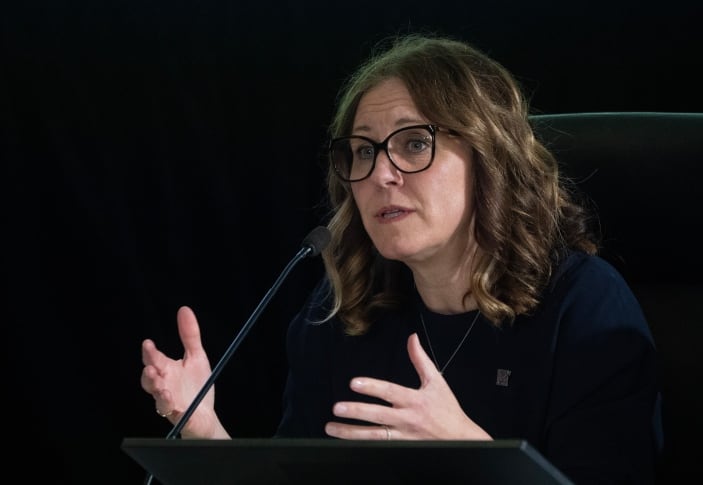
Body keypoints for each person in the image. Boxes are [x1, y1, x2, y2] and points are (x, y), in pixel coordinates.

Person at [141, 33, 663, 483]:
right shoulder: (342, 311)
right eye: (364, 151)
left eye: (414, 144)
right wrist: (203, 429)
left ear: (490, 159)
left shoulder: (585, 305)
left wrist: (472, 453)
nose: (380, 174)